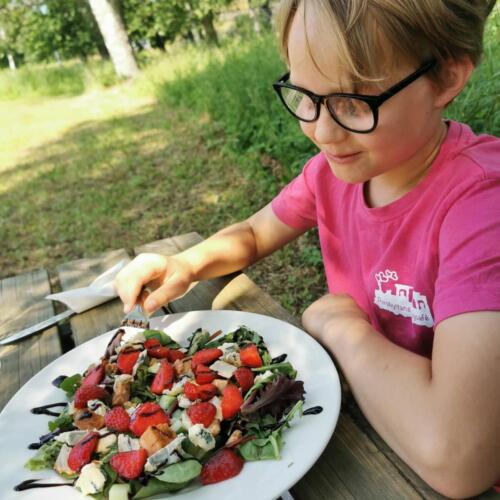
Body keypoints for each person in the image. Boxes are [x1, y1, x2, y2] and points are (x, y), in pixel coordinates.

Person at [114, 0, 500, 497]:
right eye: (304, 95)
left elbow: (458, 458)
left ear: (445, 79)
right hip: (368, 425)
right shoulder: (334, 174)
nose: (322, 131)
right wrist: (186, 263)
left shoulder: (481, 205)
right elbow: (255, 233)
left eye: (355, 102)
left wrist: (341, 327)